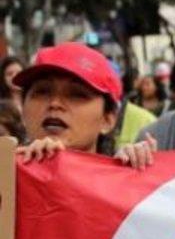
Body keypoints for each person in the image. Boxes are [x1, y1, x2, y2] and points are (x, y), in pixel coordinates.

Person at [13, 42, 155, 168]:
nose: (55, 103)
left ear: (108, 120)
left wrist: (138, 171)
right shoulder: (6, 175)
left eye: (76, 95)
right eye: (42, 91)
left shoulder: (125, 182)